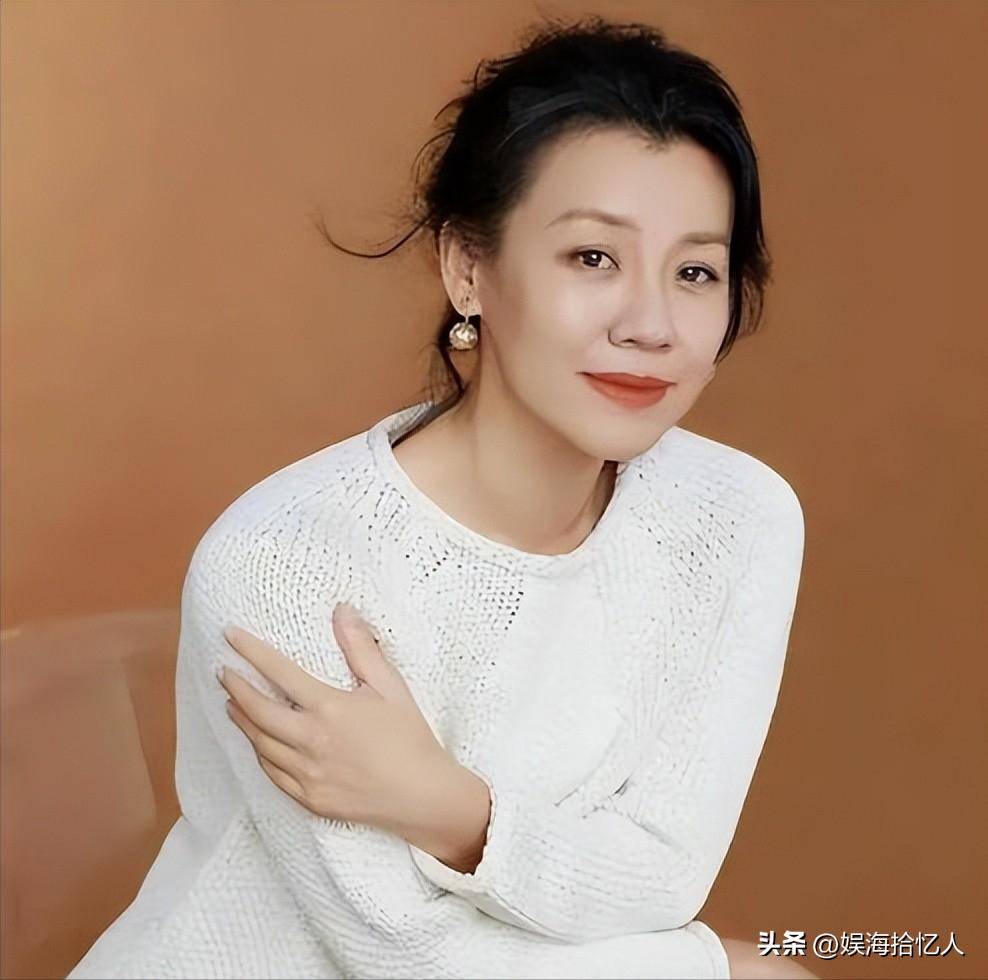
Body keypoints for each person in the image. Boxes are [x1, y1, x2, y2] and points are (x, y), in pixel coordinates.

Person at [67, 14, 819, 980]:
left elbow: (661, 880)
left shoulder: (737, 519)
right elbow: (401, 953)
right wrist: (721, 971)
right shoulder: (289, 560)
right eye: (593, 258)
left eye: (695, 272)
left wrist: (450, 808)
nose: (651, 324)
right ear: (468, 267)